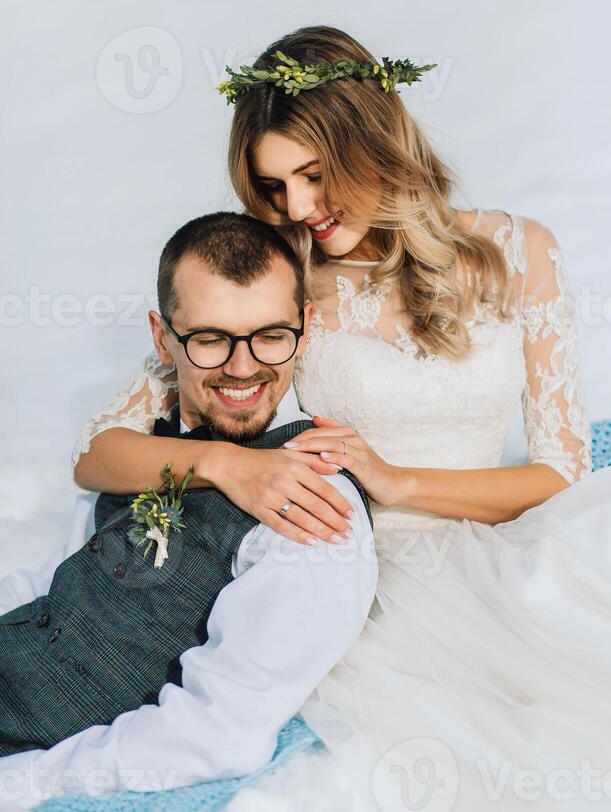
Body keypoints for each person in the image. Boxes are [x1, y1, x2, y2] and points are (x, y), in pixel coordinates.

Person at [36, 25, 611, 809]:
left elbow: (561, 475)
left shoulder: (519, 251)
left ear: (377, 142)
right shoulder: (277, 279)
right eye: (274, 186)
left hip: (502, 542)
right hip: (371, 582)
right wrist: (229, 464)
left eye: (315, 176)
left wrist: (395, 480)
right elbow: (96, 454)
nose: (298, 207)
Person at [0, 211, 377, 809]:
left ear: (305, 327)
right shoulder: (149, 441)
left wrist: (23, 782)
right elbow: (57, 576)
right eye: (209, 339)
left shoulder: (315, 508)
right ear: (162, 338)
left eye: (270, 336)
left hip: (33, 743)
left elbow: (215, 732)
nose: (243, 367)